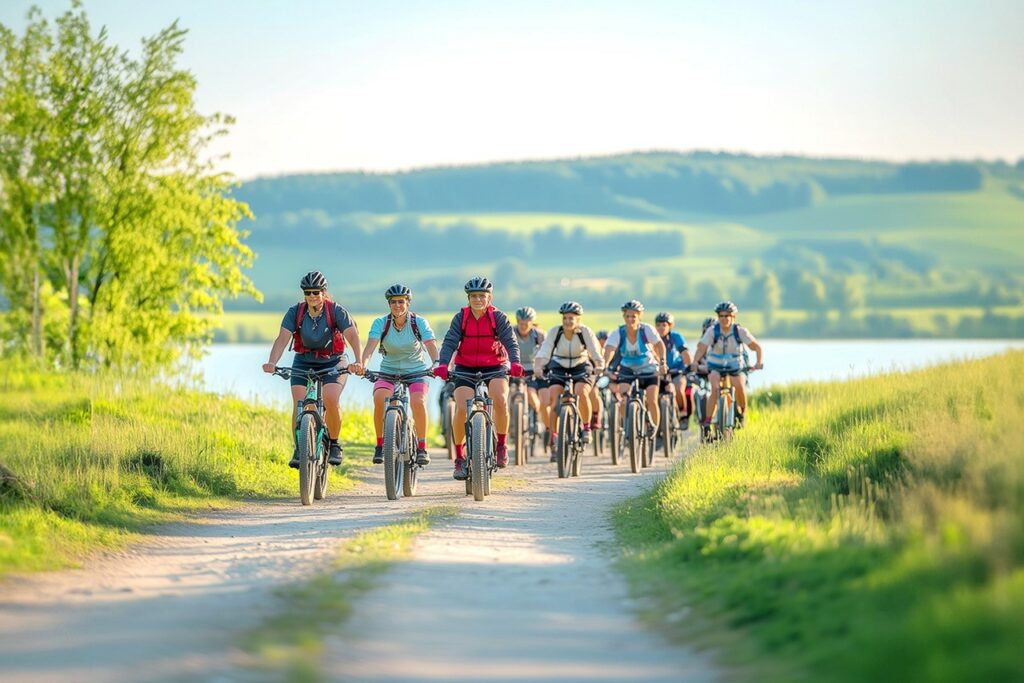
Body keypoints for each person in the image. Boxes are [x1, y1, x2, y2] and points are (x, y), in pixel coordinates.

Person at [262, 271, 363, 468]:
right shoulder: (296, 312)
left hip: (333, 361)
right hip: (304, 361)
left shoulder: (336, 311)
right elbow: (282, 339)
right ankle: (299, 448)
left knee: (331, 398)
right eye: (308, 292)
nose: (311, 296)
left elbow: (353, 336)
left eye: (316, 292)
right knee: (300, 402)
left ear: (324, 293)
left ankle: (334, 443)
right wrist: (271, 362)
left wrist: (359, 361)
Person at [434, 277, 523, 480]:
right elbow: (449, 342)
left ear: (489, 297)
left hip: (495, 365)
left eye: (482, 296)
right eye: (474, 296)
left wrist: (515, 362)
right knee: (462, 407)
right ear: (468, 298)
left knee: (500, 399)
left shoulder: (498, 317)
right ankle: (460, 457)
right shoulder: (461, 318)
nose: (478, 299)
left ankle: (501, 445)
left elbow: (510, 340)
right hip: (465, 367)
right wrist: (442, 364)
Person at [358, 284, 440, 467]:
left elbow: (431, 345)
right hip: (388, 371)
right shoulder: (381, 323)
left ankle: (422, 447)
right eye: (393, 302)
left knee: (418, 401)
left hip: (417, 371)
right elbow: (370, 349)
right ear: (389, 304)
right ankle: (380, 444)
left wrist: (436, 363)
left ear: (408, 303)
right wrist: (363, 365)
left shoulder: (419, 322)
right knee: (380, 398)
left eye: (401, 302)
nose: (397, 305)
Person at [533, 301, 605, 458]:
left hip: (581, 364)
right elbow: (544, 352)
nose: (567, 321)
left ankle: (586, 428)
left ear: (578, 319)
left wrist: (599, 365)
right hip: (559, 364)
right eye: (565, 318)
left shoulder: (585, 332)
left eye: (571, 318)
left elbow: (594, 351)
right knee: (554, 398)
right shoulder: (555, 332)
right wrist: (538, 366)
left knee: (581, 391)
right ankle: (554, 437)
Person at [689, 301, 764, 429]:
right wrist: (695, 362)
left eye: (727, 316)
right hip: (715, 365)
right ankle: (707, 422)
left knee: (739, 385)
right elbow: (701, 348)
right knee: (714, 388)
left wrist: (759, 362)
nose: (724, 319)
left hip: (735, 365)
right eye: (721, 316)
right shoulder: (713, 331)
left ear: (733, 317)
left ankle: (741, 414)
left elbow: (756, 347)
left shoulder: (740, 331)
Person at [602, 300, 667, 437]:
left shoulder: (646, 330)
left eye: (634, 316)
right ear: (624, 317)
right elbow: (610, 349)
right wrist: (605, 365)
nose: (630, 319)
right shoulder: (619, 333)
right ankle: (628, 425)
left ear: (639, 316)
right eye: (628, 316)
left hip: (649, 369)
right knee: (624, 398)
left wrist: (662, 363)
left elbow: (659, 345)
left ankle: (654, 429)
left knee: (652, 399)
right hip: (628, 369)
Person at [514, 306, 548, 439]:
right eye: (521, 323)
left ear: (532, 322)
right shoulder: (511, 333)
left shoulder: (539, 335)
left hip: (533, 369)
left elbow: (546, 353)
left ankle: (537, 418)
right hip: (514, 368)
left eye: (527, 323)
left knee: (531, 393)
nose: (523, 326)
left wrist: (542, 368)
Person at [654, 312, 692, 425]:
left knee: (679, 389)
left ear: (670, 326)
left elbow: (685, 352)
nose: (661, 328)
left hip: (677, 370)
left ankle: (682, 413)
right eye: (658, 325)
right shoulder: (653, 337)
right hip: (659, 371)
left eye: (664, 325)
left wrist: (689, 366)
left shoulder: (676, 337)